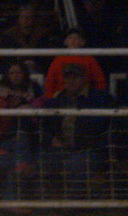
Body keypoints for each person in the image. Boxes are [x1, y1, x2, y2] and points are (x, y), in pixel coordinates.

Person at [39, 62, 116, 191]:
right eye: (68, 77)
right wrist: (51, 139)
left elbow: (105, 127)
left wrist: (89, 143)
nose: (71, 81)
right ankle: (52, 198)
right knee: (43, 161)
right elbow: (44, 126)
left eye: (76, 77)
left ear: (84, 78)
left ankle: (76, 199)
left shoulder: (100, 99)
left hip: (89, 149)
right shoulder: (56, 100)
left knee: (75, 165)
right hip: (61, 148)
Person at [43, 26, 107, 99]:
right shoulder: (58, 60)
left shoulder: (90, 60)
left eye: (76, 38)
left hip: (84, 98)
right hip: (62, 98)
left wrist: (97, 98)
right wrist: (50, 100)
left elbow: (100, 82)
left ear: (83, 42)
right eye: (70, 38)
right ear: (65, 42)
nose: (73, 40)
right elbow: (50, 82)